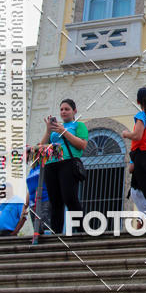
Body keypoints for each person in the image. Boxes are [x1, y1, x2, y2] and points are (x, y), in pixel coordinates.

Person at [40, 99, 88, 235]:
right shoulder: (54, 130)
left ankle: (81, 230)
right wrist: (48, 131)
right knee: (55, 201)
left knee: (70, 198)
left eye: (67, 109)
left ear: (74, 111)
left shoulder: (78, 125)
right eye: (61, 109)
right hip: (51, 164)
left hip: (68, 163)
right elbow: (41, 147)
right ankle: (56, 232)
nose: (63, 112)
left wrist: (63, 131)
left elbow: (82, 145)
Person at [122, 88, 146, 228]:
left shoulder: (141, 116)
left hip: (142, 157)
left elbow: (138, 136)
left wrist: (126, 134)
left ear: (138, 101)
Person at [25, 160, 52, 245]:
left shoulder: (46, 165)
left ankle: (48, 244)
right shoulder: (32, 169)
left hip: (45, 198)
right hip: (33, 202)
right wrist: (25, 205)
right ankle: (38, 242)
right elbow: (30, 189)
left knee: (45, 225)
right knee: (37, 227)